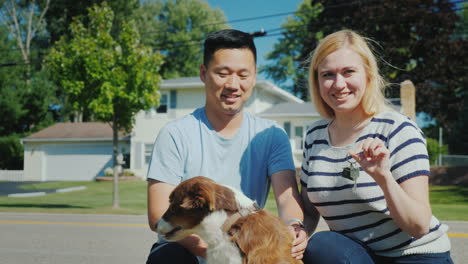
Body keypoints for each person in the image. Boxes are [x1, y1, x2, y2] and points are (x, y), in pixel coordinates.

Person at [146, 29, 308, 264]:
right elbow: (158, 214)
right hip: (189, 252)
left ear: (254, 77)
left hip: (245, 247)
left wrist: (294, 226)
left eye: (244, 75)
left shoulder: (272, 135)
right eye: (222, 73)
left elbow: (286, 199)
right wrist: (217, 252)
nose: (233, 84)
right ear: (204, 73)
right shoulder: (175, 134)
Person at [300, 29, 453, 264]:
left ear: (368, 75)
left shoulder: (398, 129)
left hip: (415, 255)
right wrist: (297, 230)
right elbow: (309, 211)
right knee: (321, 246)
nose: (338, 84)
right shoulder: (314, 136)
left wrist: (384, 178)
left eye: (348, 72)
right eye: (327, 74)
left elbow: (419, 225)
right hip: (358, 257)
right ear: (317, 81)